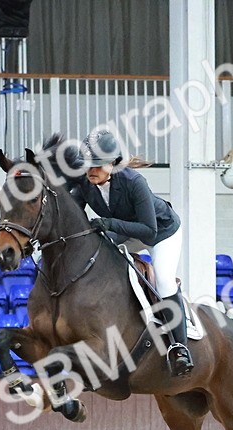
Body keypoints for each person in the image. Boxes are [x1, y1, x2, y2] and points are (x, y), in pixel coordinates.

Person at [74, 130, 192, 376]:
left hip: (161, 233)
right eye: (87, 165)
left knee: (164, 279)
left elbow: (148, 231)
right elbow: (71, 215)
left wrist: (109, 224)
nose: (90, 171)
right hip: (126, 230)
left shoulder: (133, 182)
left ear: (111, 163)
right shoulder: (86, 183)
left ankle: (180, 347)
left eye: (96, 166)